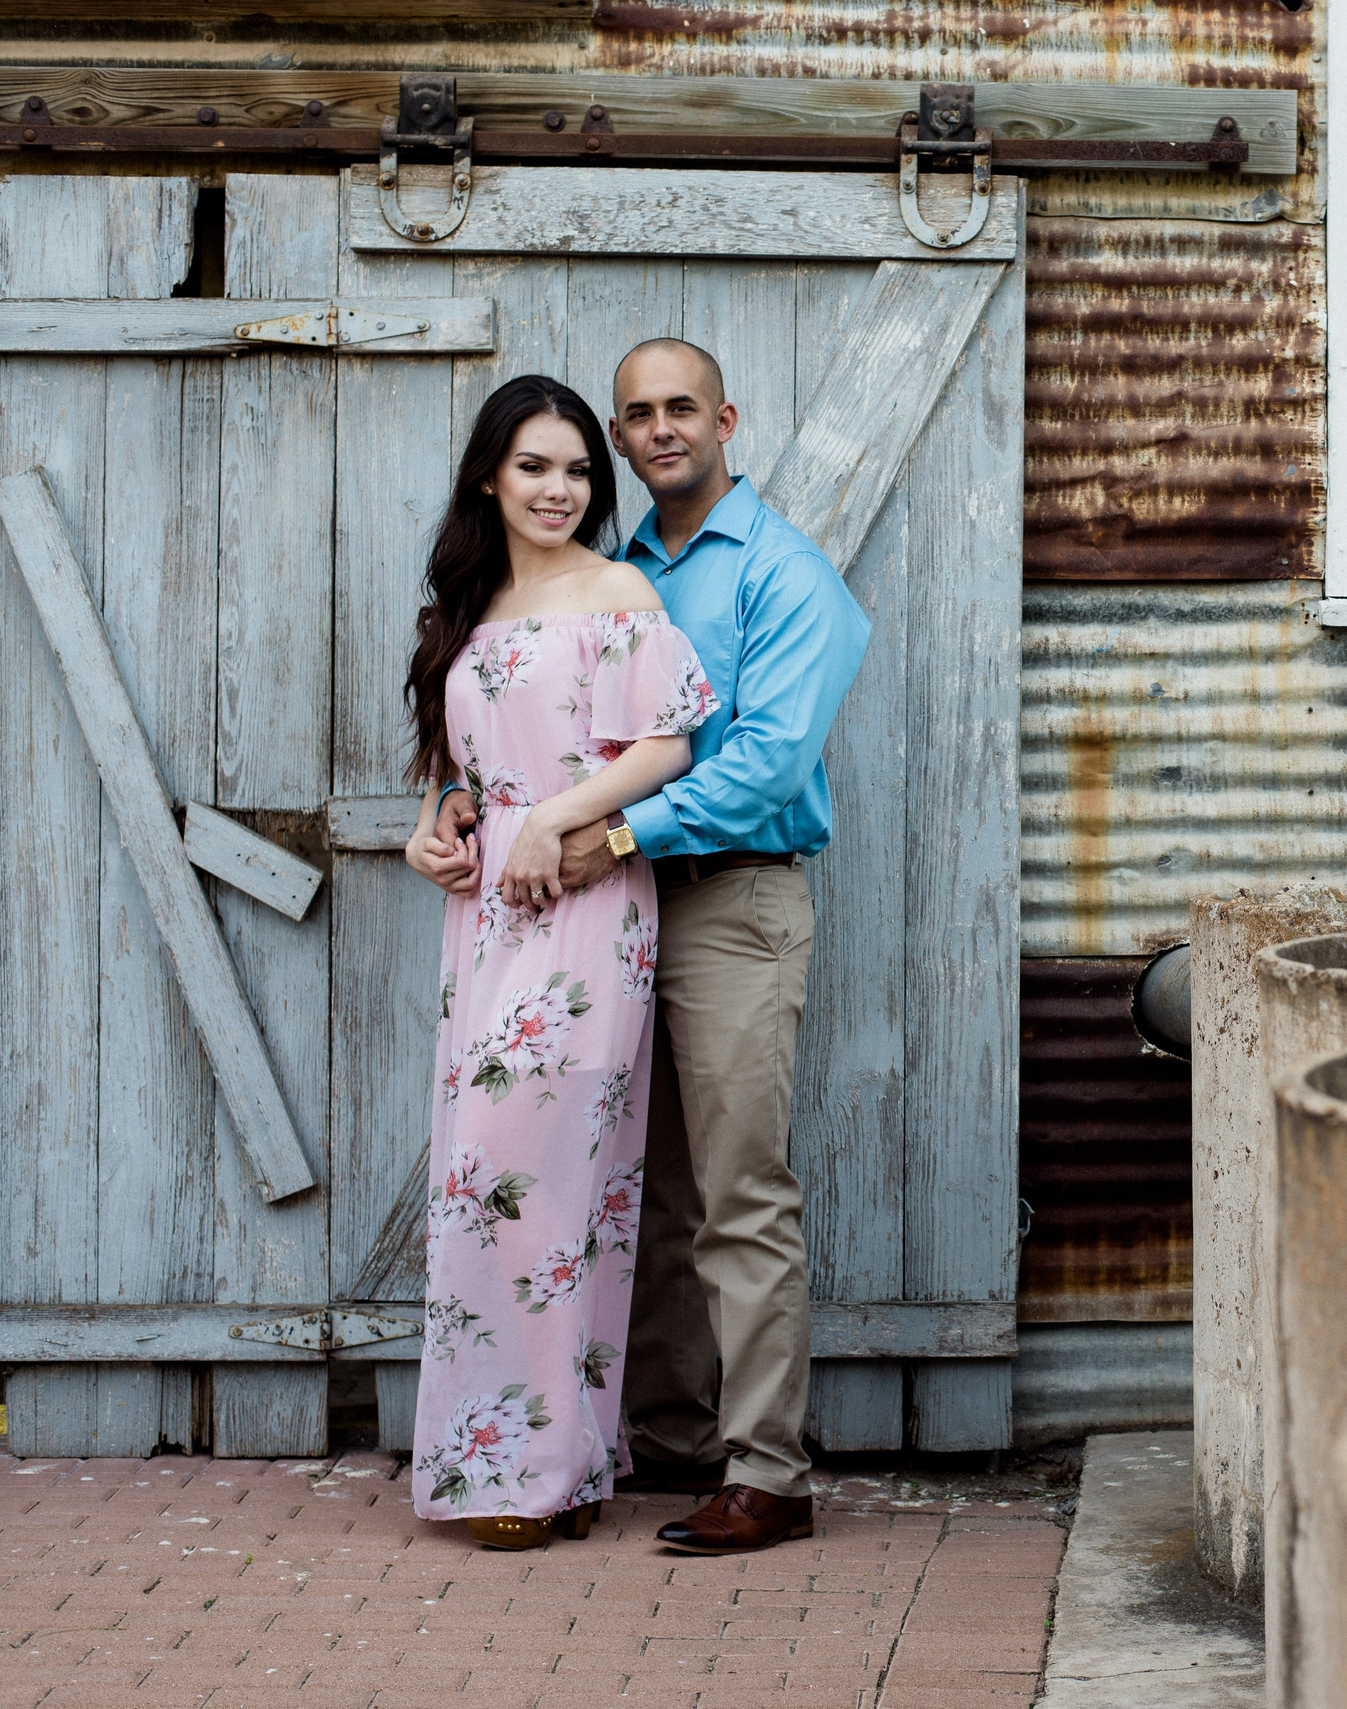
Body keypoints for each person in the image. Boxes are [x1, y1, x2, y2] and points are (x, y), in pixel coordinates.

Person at [549, 337, 870, 1555]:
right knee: (657, 1184)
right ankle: (676, 1435)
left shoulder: (785, 575)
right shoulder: (613, 573)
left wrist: (619, 821)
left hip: (733, 903)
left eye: (681, 406)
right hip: (617, 902)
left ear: (726, 417)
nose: (660, 428)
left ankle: (770, 1471)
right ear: (619, 439)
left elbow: (770, 760)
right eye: (638, 414)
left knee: (740, 1192)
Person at [399, 375, 720, 1551]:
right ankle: (545, 1462)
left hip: (583, 906)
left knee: (539, 1178)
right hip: (484, 922)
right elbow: (460, 766)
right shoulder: (469, 603)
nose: (559, 489)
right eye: (535, 466)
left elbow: (670, 736)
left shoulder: (618, 588)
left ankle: (531, 1469)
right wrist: (438, 823)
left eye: (579, 470)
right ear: (490, 473)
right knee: (486, 1182)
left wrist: (554, 816)